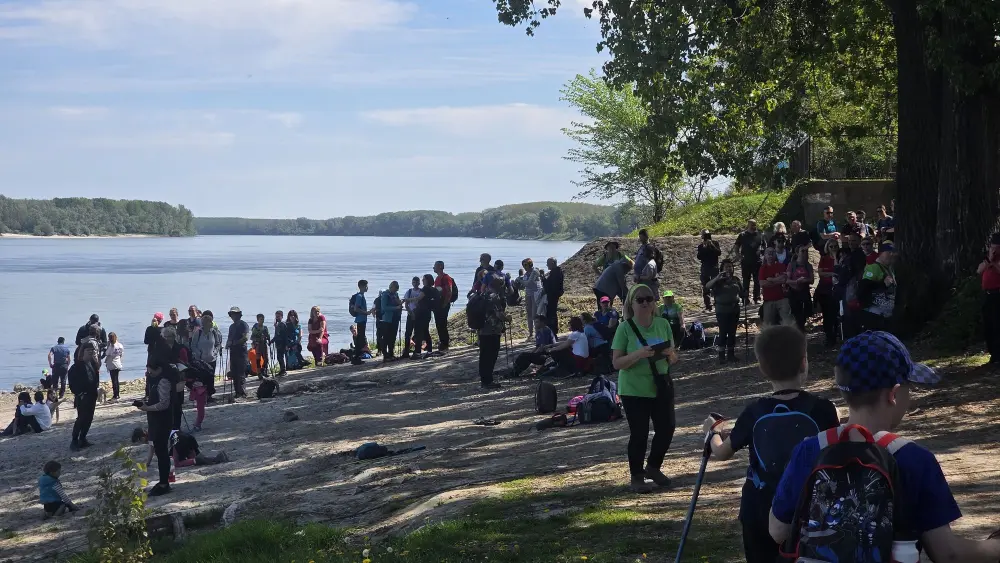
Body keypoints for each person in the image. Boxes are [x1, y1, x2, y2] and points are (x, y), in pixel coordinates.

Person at [768, 332, 1000, 562]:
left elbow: (778, 530)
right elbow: (948, 554)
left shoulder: (809, 450)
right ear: (894, 394)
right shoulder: (914, 459)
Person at [703, 326, 839, 563]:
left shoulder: (754, 412)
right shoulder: (823, 409)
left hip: (759, 508)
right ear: (804, 363)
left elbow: (722, 453)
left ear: (762, 368)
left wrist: (712, 432)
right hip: (808, 506)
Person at [612, 283, 678, 493]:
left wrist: (670, 354)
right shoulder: (624, 328)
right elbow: (616, 363)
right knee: (639, 433)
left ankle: (653, 467)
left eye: (649, 299)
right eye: (639, 300)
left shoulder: (663, 324)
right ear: (631, 304)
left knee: (667, 428)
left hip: (661, 384)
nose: (645, 303)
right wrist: (638, 354)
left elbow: (674, 358)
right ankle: (637, 477)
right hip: (633, 389)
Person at [133, 356, 175, 497]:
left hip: (163, 420)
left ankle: (164, 483)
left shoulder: (163, 381)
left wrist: (147, 408)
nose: (149, 374)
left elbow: (164, 404)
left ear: (159, 369)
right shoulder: (156, 380)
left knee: (162, 452)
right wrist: (145, 403)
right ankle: (163, 481)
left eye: (151, 372)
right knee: (159, 449)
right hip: (157, 420)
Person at [706, 259, 745, 364]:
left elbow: (742, 292)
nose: (729, 268)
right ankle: (721, 356)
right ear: (722, 269)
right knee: (723, 332)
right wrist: (717, 278)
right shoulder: (718, 281)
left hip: (734, 309)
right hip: (722, 310)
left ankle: (731, 355)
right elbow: (707, 286)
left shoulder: (736, 279)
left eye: (730, 266)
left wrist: (744, 296)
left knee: (732, 332)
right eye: (726, 266)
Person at [510, 315, 576, 377]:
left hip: (547, 355)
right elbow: (537, 347)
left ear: (542, 322)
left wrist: (533, 355)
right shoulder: (539, 332)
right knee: (525, 356)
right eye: (535, 322)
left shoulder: (545, 330)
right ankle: (515, 371)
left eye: (537, 322)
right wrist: (531, 353)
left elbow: (542, 347)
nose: (535, 324)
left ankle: (515, 372)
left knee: (524, 356)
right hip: (541, 353)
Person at [857, 241, 898, 332]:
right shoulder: (874, 267)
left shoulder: (889, 268)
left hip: (886, 315)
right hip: (874, 315)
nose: (892, 255)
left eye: (893, 252)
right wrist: (883, 284)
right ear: (881, 253)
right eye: (888, 252)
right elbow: (863, 288)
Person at [477, 277, 509, 389]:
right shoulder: (495, 297)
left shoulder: (483, 295)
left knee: (483, 356)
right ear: (499, 286)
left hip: (482, 330)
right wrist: (507, 319)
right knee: (491, 356)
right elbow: (499, 314)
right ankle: (488, 381)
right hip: (492, 330)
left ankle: (484, 380)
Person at [69, 339, 99, 450]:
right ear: (83, 352)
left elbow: (95, 379)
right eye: (88, 350)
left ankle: (83, 438)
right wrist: (80, 393)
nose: (91, 352)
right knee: (81, 418)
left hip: (92, 395)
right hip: (82, 396)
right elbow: (72, 383)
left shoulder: (93, 364)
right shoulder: (76, 366)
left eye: (92, 350)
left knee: (89, 418)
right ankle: (74, 440)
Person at [189, 310, 222, 401]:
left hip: (212, 359)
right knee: (202, 377)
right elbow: (193, 345)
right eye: (207, 322)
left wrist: (215, 352)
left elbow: (218, 344)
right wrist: (198, 354)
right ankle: (202, 395)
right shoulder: (198, 332)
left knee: (211, 377)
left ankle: (209, 395)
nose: (210, 323)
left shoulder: (214, 332)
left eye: (210, 321)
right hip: (201, 360)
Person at [978, 234, 1000, 364]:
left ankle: (998, 355)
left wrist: (994, 263)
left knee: (997, 325)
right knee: (989, 325)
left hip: (998, 295)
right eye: (992, 247)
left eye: (996, 248)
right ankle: (993, 354)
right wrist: (989, 259)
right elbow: (979, 270)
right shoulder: (988, 258)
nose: (993, 250)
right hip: (988, 295)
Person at [759, 247, 794, 328]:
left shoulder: (781, 266)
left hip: (782, 299)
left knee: (788, 323)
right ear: (765, 255)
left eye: (772, 253)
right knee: (768, 325)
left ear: (775, 255)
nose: (770, 255)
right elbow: (762, 283)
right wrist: (777, 281)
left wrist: (771, 280)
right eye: (768, 253)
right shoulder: (763, 268)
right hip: (768, 300)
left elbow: (784, 279)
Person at [815, 240, 841, 347]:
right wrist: (831, 273)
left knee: (835, 314)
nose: (834, 248)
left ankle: (836, 335)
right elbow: (820, 272)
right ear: (827, 247)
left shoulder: (840, 257)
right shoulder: (824, 258)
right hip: (824, 289)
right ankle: (829, 336)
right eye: (831, 246)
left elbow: (838, 271)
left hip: (836, 289)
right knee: (826, 314)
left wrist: (835, 258)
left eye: (835, 246)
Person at [734, 220, 764, 303]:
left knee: (757, 281)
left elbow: (764, 246)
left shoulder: (760, 235)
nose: (754, 226)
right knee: (746, 281)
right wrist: (738, 255)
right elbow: (736, 246)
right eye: (752, 225)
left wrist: (761, 252)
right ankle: (745, 298)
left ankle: (757, 298)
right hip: (746, 261)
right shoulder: (742, 235)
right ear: (748, 225)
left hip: (757, 261)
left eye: (755, 225)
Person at [786, 246, 814, 331]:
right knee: (796, 313)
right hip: (794, 292)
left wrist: (804, 280)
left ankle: (801, 329)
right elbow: (787, 280)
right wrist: (796, 282)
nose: (805, 253)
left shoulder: (808, 265)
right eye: (802, 251)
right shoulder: (791, 265)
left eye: (806, 251)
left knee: (804, 313)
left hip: (804, 291)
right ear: (797, 253)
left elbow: (812, 280)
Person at [413, 274, 440, 357]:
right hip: (428, 312)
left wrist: (407, 300)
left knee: (418, 332)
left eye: (424, 279)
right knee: (425, 331)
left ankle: (418, 351)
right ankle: (429, 350)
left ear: (427, 280)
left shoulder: (425, 289)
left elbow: (418, 298)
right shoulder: (434, 289)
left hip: (421, 313)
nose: (422, 280)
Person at [225, 307, 249, 399]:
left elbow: (245, 337)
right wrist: (227, 344)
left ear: (239, 314)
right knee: (234, 373)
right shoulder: (231, 327)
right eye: (232, 314)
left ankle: (242, 393)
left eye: (235, 314)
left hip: (241, 352)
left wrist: (235, 343)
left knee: (241, 373)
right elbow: (229, 338)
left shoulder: (243, 324)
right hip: (233, 352)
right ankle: (237, 392)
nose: (233, 316)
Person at [697, 230, 722, 311]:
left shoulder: (715, 243)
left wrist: (712, 245)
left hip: (714, 267)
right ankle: (708, 306)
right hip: (705, 268)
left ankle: (718, 303)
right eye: (705, 235)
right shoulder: (701, 246)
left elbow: (718, 253)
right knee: (705, 287)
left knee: (716, 286)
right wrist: (704, 248)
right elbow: (699, 257)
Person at [377, 281, 402, 360]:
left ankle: (391, 353)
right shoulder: (385, 295)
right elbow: (384, 307)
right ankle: (385, 354)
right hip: (387, 319)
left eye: (397, 289)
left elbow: (399, 303)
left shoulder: (396, 294)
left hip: (395, 318)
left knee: (393, 337)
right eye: (395, 288)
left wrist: (400, 304)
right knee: (386, 337)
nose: (396, 290)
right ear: (391, 287)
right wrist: (396, 308)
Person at [433, 261, 455, 352]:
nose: (433, 268)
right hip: (438, 304)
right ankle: (442, 342)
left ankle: (445, 343)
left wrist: (445, 304)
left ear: (440, 267)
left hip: (443, 303)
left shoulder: (446, 277)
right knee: (438, 324)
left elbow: (449, 291)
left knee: (442, 323)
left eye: (435, 266)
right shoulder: (437, 278)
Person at [521, 259, 543, 341]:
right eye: (523, 265)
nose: (524, 267)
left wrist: (520, 280)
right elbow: (524, 285)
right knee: (529, 314)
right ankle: (531, 334)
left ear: (530, 264)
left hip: (535, 295)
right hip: (528, 295)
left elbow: (529, 283)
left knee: (535, 314)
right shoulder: (526, 273)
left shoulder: (535, 271)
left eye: (525, 265)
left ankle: (538, 333)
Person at [542, 257, 564, 333]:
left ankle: (552, 329)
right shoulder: (557, 272)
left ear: (552, 264)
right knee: (552, 312)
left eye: (548, 264)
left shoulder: (556, 273)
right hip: (554, 295)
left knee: (551, 313)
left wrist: (544, 280)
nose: (547, 265)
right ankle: (553, 329)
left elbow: (550, 286)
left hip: (552, 295)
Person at [401, 277, 422, 359]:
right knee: (408, 333)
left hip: (419, 314)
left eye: (417, 282)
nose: (415, 284)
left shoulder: (421, 292)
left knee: (418, 333)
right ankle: (406, 351)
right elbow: (406, 305)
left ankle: (417, 351)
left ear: (419, 283)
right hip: (410, 314)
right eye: (414, 282)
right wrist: (411, 313)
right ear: (412, 283)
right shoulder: (409, 292)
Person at [350, 280, 373, 352]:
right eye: (366, 286)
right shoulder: (359, 296)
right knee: (361, 336)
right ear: (362, 287)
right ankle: (359, 352)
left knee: (361, 336)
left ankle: (360, 352)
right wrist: (366, 312)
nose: (367, 287)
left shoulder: (361, 296)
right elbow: (356, 309)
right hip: (360, 319)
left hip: (362, 319)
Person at [104, 332, 124, 401]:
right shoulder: (120, 345)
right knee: (116, 379)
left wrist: (107, 346)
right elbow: (121, 354)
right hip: (118, 363)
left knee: (114, 380)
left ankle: (116, 395)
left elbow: (107, 353)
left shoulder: (111, 346)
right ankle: (117, 394)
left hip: (112, 364)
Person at [272, 310, 288, 375]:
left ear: (282, 317)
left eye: (278, 317)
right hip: (278, 343)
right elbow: (276, 335)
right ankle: (282, 369)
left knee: (280, 357)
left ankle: (283, 370)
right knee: (279, 357)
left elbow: (282, 335)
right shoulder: (278, 324)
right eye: (276, 316)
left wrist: (272, 341)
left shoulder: (282, 324)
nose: (277, 318)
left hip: (282, 343)